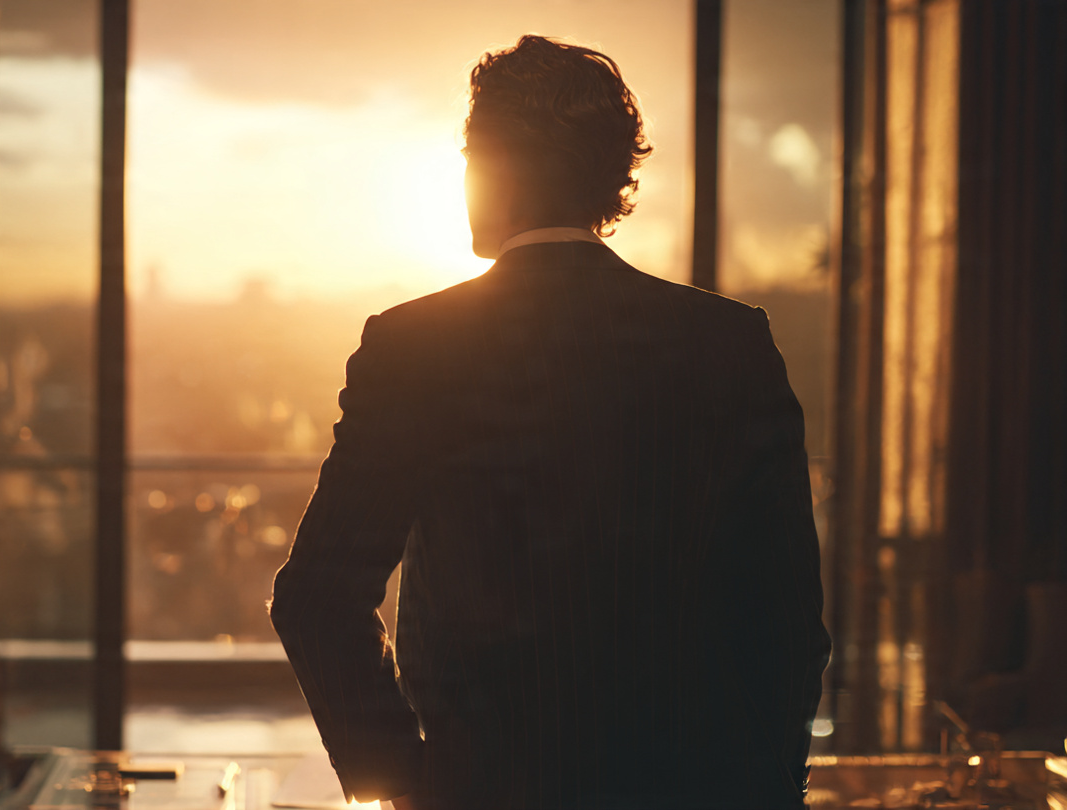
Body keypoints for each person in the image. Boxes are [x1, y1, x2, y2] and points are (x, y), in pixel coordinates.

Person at [270, 35, 831, 810]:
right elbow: (787, 622)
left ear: (492, 171)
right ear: (610, 178)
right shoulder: (730, 346)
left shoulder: (414, 348)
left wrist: (407, 784)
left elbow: (317, 595)